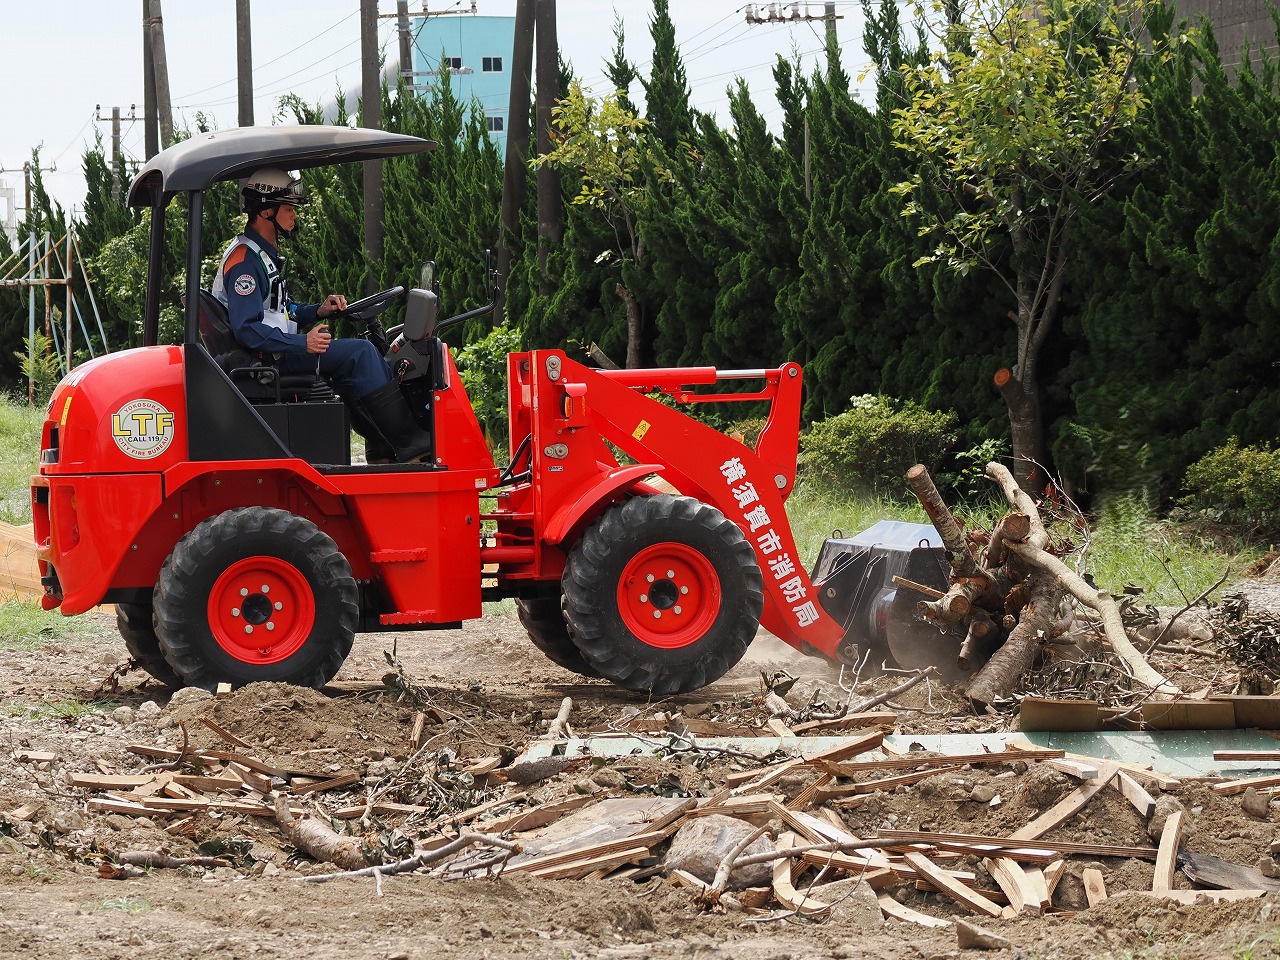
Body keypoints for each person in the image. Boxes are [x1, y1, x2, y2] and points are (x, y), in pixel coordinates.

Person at [211, 167, 431, 464]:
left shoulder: (260, 255)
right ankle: (414, 447)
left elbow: (279, 311)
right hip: (268, 359)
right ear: (265, 212)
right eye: (288, 209)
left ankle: (382, 451)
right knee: (362, 353)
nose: (294, 216)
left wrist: (318, 310)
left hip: (273, 352)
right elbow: (247, 329)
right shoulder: (245, 262)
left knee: (350, 361)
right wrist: (303, 344)